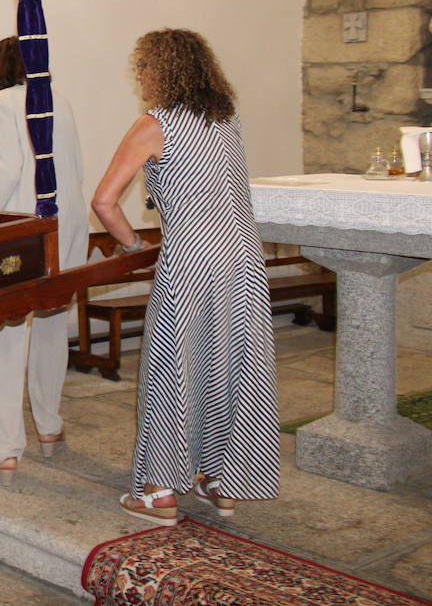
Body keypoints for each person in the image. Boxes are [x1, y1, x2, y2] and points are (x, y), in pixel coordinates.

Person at [91, 28, 279, 526]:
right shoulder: (226, 118)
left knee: (172, 368)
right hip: (242, 258)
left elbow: (104, 201)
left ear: (163, 70)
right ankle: (221, 479)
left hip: (191, 258)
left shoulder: (155, 124)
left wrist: (133, 245)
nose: (139, 75)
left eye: (143, 66)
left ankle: (158, 492)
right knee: (230, 362)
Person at [0, 37, 87, 484]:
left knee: (10, 336)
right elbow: (72, 169)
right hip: (67, 225)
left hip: (21, 229)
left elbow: (5, 173)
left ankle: (5, 448)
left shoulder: (2, 102)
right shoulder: (60, 99)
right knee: (52, 327)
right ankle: (50, 427)